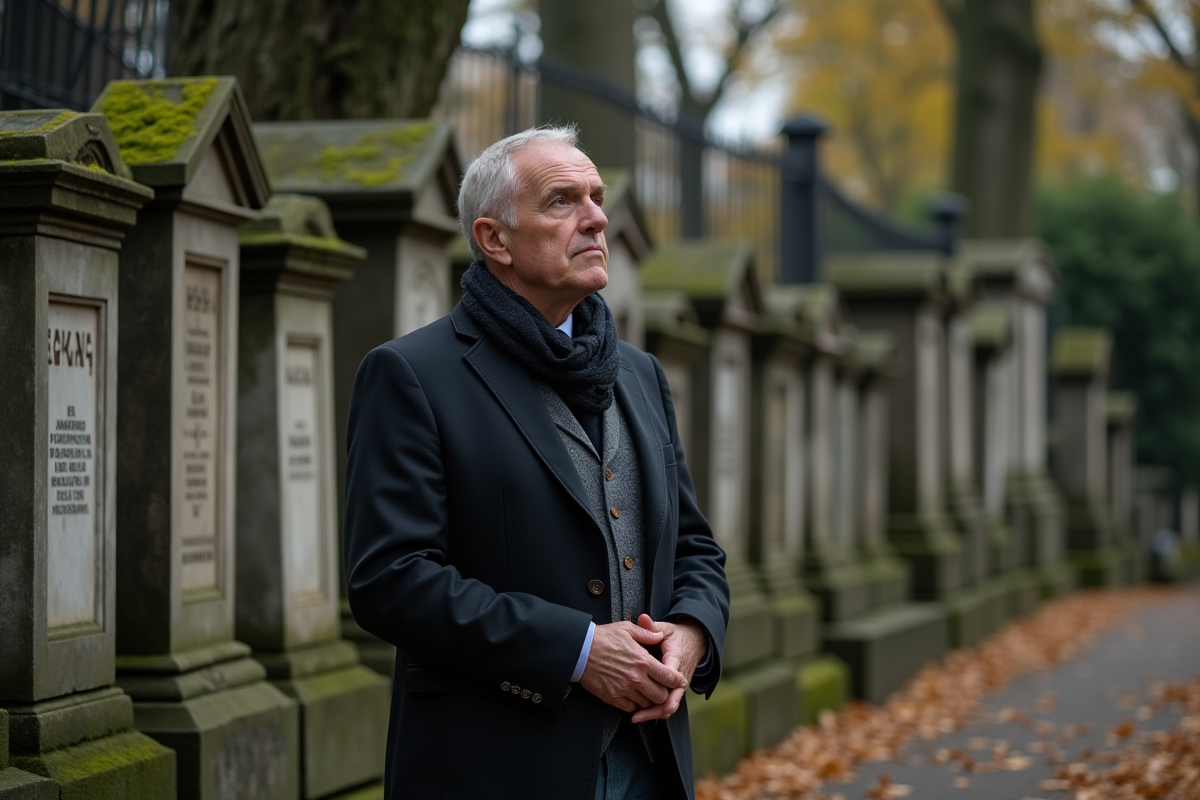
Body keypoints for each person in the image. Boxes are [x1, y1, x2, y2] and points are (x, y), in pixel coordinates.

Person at [344, 125, 729, 800]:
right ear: (494, 239)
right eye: (563, 200)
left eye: (597, 197)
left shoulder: (639, 375)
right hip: (494, 767)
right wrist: (577, 652)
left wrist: (693, 631)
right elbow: (390, 580)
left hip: (650, 762)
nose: (597, 217)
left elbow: (693, 546)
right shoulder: (412, 374)